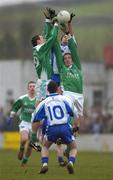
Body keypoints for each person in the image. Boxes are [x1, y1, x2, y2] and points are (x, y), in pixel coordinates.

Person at [31, 8, 66, 166]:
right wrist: (56, 25)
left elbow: (45, 36)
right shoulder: (41, 48)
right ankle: (48, 137)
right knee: (44, 111)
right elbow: (51, 40)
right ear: (38, 42)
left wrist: (47, 21)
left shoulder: (37, 48)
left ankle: (35, 140)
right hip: (44, 83)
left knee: (38, 112)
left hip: (41, 82)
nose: (43, 37)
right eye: (41, 38)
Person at [31, 80, 78, 174]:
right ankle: (71, 162)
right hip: (65, 127)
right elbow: (75, 112)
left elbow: (35, 117)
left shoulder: (44, 102)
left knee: (45, 146)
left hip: (52, 128)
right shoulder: (65, 99)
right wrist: (75, 125)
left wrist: (35, 132)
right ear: (57, 89)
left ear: (47, 90)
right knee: (73, 147)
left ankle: (45, 164)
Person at [9, 81, 38, 166]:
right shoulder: (23, 98)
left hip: (34, 124)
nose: (32, 88)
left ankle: (24, 162)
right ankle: (21, 148)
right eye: (30, 86)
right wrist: (11, 116)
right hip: (24, 122)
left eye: (34, 86)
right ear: (28, 88)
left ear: (36, 89)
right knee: (24, 139)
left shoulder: (38, 100)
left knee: (30, 146)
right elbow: (15, 107)